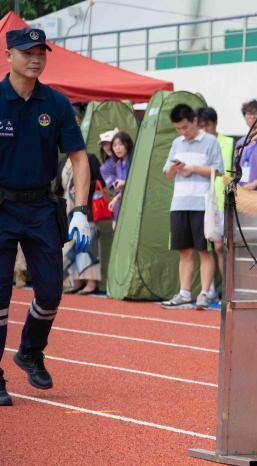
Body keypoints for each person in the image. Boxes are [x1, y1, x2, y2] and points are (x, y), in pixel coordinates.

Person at [0, 28, 92, 406]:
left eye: (41, 52)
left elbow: (79, 157)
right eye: (27, 52)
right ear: (9, 56)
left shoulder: (55, 103)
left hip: (41, 207)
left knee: (52, 292)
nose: (35, 58)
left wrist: (81, 210)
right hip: (1, 208)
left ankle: (30, 351)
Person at [160, 104, 224, 310]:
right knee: (184, 251)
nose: (182, 132)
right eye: (178, 128)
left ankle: (204, 293)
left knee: (204, 251)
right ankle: (185, 292)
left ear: (195, 121)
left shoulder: (210, 141)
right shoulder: (176, 143)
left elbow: (219, 171)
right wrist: (175, 169)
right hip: (179, 204)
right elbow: (168, 174)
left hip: (202, 204)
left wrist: (194, 168)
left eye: (185, 127)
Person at [197, 106, 234, 302]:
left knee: (219, 246)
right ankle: (208, 288)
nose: (205, 129)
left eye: (208, 125)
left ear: (215, 123)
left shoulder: (228, 142)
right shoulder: (197, 144)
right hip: (200, 200)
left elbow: (229, 172)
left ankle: (225, 288)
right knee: (204, 246)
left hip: (220, 201)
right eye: (201, 126)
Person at [56, 151, 105, 295]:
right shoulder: (62, 162)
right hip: (66, 207)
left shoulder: (89, 158)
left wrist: (82, 187)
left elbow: (100, 181)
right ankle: (75, 281)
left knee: (88, 244)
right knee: (69, 244)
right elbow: (58, 188)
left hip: (85, 206)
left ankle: (91, 282)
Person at [99, 131, 133, 228]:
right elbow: (115, 187)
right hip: (120, 208)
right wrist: (116, 198)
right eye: (114, 145)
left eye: (120, 144)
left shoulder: (132, 160)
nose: (116, 148)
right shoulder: (107, 166)